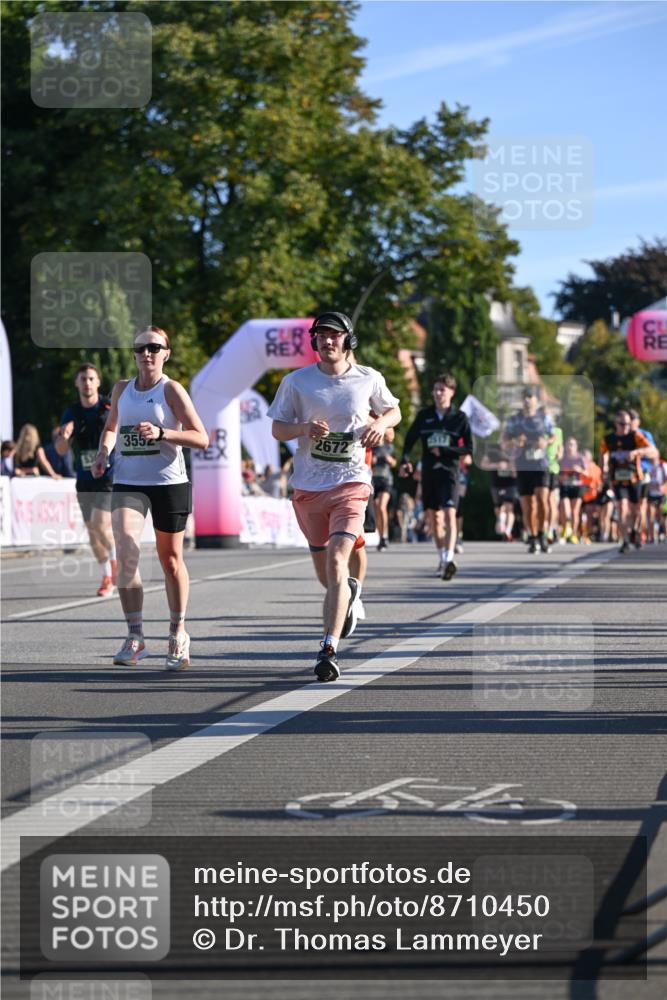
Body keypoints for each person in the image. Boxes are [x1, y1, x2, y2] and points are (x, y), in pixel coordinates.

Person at [268, 310, 400, 682]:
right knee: (327, 574)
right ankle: (346, 599)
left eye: (335, 335)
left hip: (351, 483)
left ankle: (328, 647)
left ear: (347, 340)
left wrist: (379, 423)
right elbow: (278, 428)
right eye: (322, 335)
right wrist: (303, 429)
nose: (328, 341)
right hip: (309, 486)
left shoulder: (368, 378)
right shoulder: (296, 382)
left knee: (339, 559)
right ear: (315, 341)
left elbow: (394, 411)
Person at [91, 326, 208, 669]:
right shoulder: (122, 389)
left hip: (169, 483)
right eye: (141, 348)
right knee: (126, 551)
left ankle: (178, 632)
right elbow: (111, 427)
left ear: (166, 354)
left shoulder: (171, 390)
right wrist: (103, 453)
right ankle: (135, 636)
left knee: (170, 560)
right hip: (129, 482)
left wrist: (163, 433)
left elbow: (201, 437)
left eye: (155, 348)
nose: (147, 353)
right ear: (134, 354)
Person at [399, 373, 472, 580]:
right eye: (436, 390)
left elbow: (469, 448)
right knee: (435, 519)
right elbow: (410, 439)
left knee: (450, 515)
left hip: (450, 473)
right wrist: (405, 460)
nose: (439, 393)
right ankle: (442, 557)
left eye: (443, 390)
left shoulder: (459, 418)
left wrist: (445, 450)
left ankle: (449, 560)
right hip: (430, 473)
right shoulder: (425, 416)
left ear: (451, 392)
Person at [55, 364, 117, 596]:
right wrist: (64, 436)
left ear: (98, 382)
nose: (87, 383)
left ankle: (116, 563)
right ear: (77, 383)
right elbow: (61, 450)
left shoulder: (108, 406)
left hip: (107, 475)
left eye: (91, 379)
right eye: (83, 379)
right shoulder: (71, 412)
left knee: (100, 524)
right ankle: (106, 576)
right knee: (92, 533)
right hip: (84, 478)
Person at [502, 387, 555, 554]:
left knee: (542, 500)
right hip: (523, 464)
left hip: (541, 464)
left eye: (530, 397)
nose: (527, 400)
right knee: (528, 505)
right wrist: (515, 442)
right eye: (524, 397)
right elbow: (504, 441)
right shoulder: (515, 420)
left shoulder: (543, 417)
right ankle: (532, 537)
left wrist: (545, 442)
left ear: (536, 400)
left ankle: (542, 534)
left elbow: (553, 435)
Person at [599, 409, 656, 553]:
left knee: (637, 510)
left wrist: (637, 452)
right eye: (622, 424)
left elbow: (652, 450)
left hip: (635, 478)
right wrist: (603, 469)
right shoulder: (608, 439)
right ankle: (625, 540)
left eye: (628, 424)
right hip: (618, 480)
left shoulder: (635, 436)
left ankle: (635, 530)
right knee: (622, 508)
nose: (625, 427)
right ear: (616, 424)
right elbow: (602, 454)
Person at [629, 408, 657, 548]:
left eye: (632, 420)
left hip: (642, 473)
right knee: (628, 507)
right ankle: (630, 531)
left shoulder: (644, 435)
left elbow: (654, 453)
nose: (629, 423)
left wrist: (638, 452)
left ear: (637, 421)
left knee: (641, 506)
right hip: (625, 476)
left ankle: (638, 532)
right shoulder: (621, 435)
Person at [371, 425, 397, 551]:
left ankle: (385, 535)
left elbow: (395, 463)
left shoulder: (389, 447)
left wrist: (390, 460)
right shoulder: (371, 447)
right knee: (376, 508)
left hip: (386, 480)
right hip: (373, 480)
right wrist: (372, 461)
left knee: (381, 506)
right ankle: (381, 536)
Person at [558, 436, 587, 544]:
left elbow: (588, 473)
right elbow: (557, 474)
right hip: (565, 486)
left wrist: (579, 470)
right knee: (565, 511)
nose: (570, 447)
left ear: (576, 446)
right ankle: (565, 529)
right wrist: (562, 477)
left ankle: (574, 534)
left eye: (572, 444)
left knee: (575, 512)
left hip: (577, 486)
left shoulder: (581, 458)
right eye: (568, 444)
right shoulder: (562, 459)